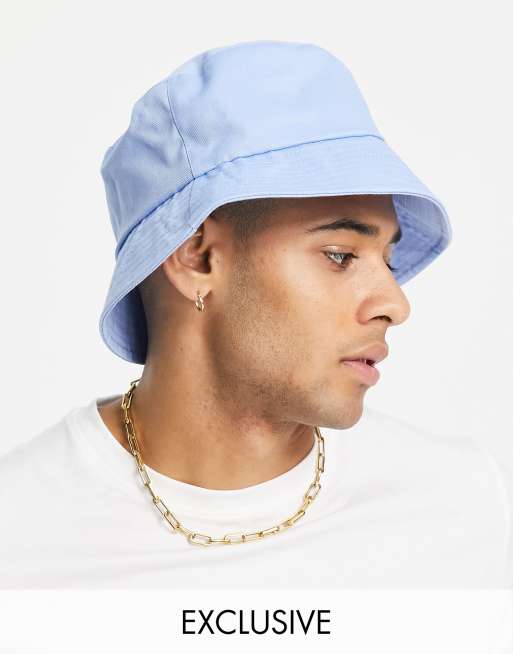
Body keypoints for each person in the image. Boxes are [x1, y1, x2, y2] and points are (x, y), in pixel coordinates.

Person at [1, 40, 511, 589]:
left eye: (387, 259)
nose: (395, 304)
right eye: (340, 255)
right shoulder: (21, 529)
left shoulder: (461, 504)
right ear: (197, 258)